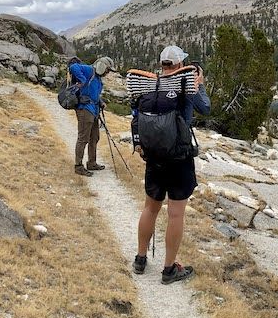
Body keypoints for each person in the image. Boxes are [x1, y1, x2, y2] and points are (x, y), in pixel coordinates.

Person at [125, 45, 209, 284]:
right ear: (180, 65)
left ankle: (140, 259)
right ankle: (169, 269)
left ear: (162, 65)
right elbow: (206, 108)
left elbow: (135, 115)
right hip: (179, 157)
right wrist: (199, 84)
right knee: (175, 214)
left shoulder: (149, 86)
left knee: (150, 208)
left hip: (154, 157)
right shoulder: (184, 84)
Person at [66, 57, 106, 176]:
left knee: (94, 137)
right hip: (85, 109)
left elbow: (93, 93)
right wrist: (82, 79)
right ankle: (78, 166)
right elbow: (73, 67)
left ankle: (92, 163)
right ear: (102, 66)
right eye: (107, 70)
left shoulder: (97, 78)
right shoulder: (89, 70)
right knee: (83, 138)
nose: (107, 73)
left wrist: (100, 101)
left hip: (93, 110)